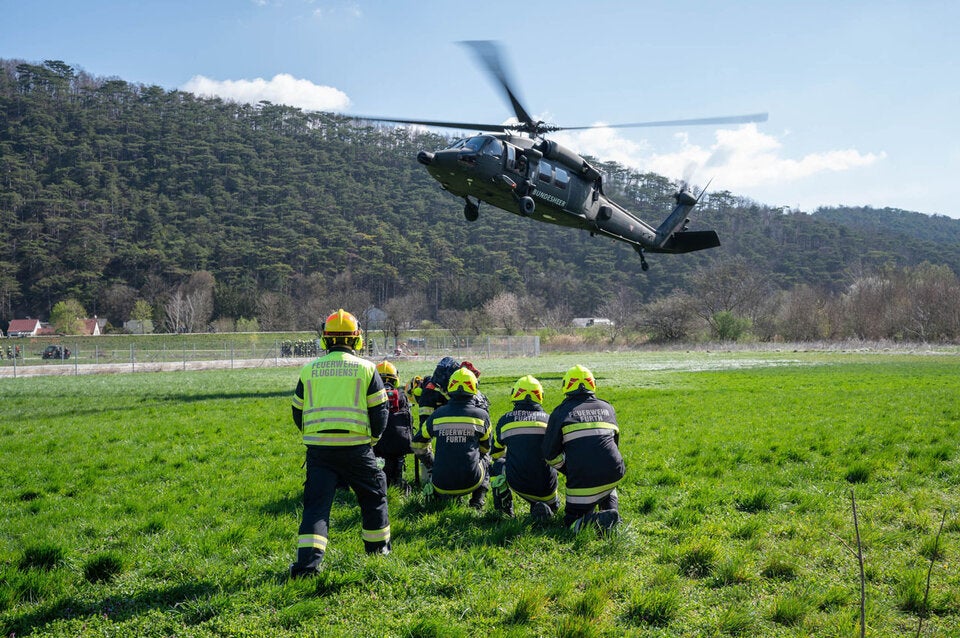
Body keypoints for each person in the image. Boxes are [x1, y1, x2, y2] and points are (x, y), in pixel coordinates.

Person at [288, 309, 391, 578]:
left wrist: (316, 435)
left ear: (326, 339)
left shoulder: (309, 370)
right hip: (357, 448)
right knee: (373, 497)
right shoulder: (367, 369)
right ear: (357, 340)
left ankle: (307, 567)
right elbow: (380, 412)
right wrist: (372, 440)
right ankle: (377, 554)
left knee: (316, 507)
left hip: (320, 451)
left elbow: (298, 411)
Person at [543, 364, 625, 532]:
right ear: (592, 384)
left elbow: (550, 455)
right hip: (614, 472)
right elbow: (614, 445)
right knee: (606, 478)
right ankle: (611, 512)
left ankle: (598, 519)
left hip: (582, 479)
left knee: (572, 523)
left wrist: (569, 469)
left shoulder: (560, 413)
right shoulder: (607, 407)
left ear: (566, 386)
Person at [412, 367, 491, 510]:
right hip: (471, 481)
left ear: (450, 387)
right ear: (474, 388)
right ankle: (477, 502)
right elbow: (485, 448)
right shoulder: (482, 415)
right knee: (487, 458)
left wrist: (431, 464)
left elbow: (417, 443)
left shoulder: (437, 415)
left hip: (441, 483)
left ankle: (439, 497)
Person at [490, 375, 559, 520]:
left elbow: (496, 454)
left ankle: (505, 509)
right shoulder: (550, 420)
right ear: (540, 395)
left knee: (497, 466)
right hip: (548, 486)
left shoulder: (505, 421)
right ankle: (547, 506)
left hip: (518, 483)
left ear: (515, 394)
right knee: (553, 508)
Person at [373, 360, 414, 492]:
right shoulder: (401, 396)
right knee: (396, 464)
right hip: (398, 446)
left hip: (376, 443)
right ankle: (396, 484)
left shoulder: (371, 395)